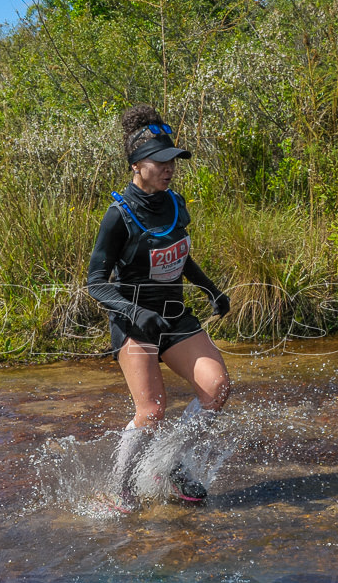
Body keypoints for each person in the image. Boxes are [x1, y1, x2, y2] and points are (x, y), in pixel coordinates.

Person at [87, 103, 232, 512]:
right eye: (161, 160)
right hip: (134, 320)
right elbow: (95, 283)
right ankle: (121, 489)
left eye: (174, 160)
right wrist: (135, 314)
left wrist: (209, 289)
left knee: (216, 388)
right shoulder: (118, 215)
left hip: (174, 316)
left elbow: (178, 255)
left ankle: (166, 465)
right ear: (137, 164)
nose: (171, 167)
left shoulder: (174, 204)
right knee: (151, 410)